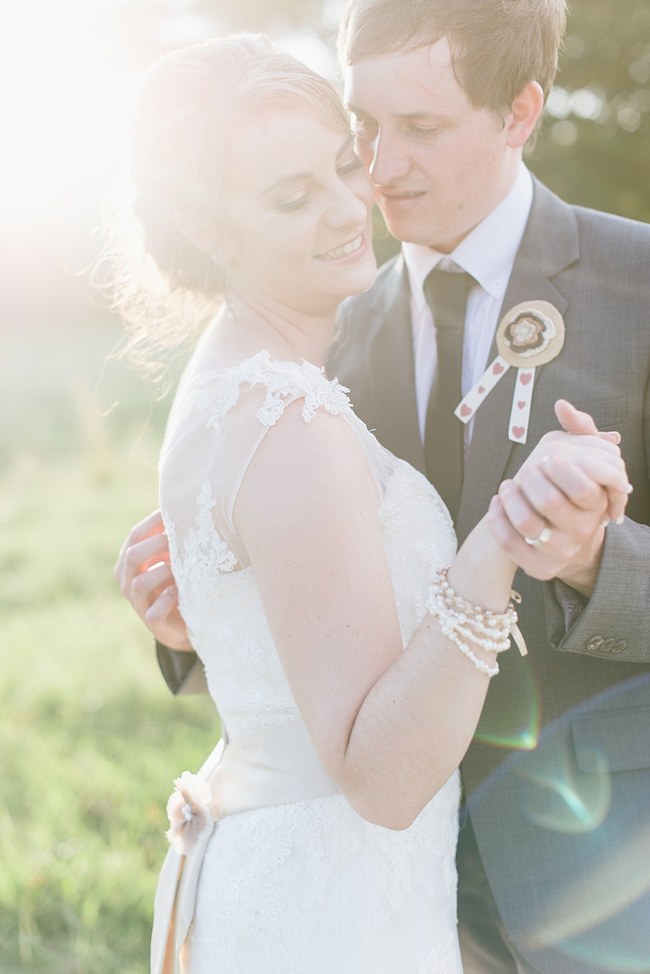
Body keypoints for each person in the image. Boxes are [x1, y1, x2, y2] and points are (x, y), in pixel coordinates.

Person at [112, 4, 650, 972]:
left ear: (520, 112)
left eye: (423, 128)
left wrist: (592, 562)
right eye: (364, 126)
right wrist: (196, 610)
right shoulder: (317, 316)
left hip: (601, 879)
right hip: (374, 888)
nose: (379, 168)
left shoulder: (637, 284)